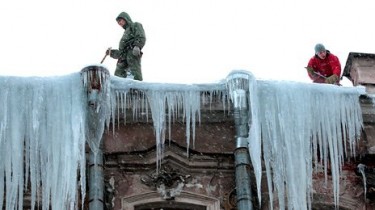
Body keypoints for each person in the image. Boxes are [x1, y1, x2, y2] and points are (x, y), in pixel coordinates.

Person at [106, 12, 146, 81]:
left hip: (132, 53)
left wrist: (137, 46)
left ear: (126, 18)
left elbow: (141, 36)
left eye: (120, 20)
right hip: (123, 58)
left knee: (134, 72)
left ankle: (137, 87)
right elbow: (121, 52)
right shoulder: (125, 33)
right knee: (118, 75)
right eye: (118, 22)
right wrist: (111, 53)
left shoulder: (135, 25)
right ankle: (119, 88)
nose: (119, 23)